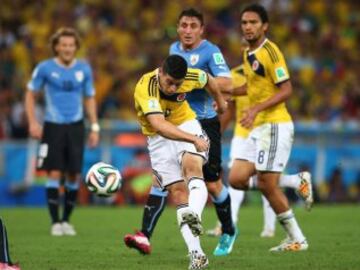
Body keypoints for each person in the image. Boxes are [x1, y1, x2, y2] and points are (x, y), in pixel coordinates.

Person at [124, 8, 236, 257]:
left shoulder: (194, 68)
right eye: (170, 83)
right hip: (159, 135)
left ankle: (208, 222)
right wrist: (193, 139)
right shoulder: (146, 86)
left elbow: (209, 79)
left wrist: (220, 101)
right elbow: (159, 126)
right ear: (161, 72)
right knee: (176, 192)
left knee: (197, 171)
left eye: (178, 84)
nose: (174, 88)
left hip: (190, 122)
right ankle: (197, 254)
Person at [229, 4, 311, 252]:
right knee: (236, 178)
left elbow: (286, 89)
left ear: (264, 26)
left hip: (274, 124)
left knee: (266, 184)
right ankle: (296, 181)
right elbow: (252, 87)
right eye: (244, 23)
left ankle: (297, 238)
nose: (248, 27)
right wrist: (228, 94)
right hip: (258, 128)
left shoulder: (270, 52)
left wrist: (254, 109)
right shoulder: (249, 52)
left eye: (253, 22)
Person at [207, 65, 313, 238]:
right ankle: (228, 223)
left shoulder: (265, 67)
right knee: (238, 178)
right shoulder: (235, 75)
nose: (245, 48)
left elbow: (283, 92)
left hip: (268, 129)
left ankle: (269, 228)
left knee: (266, 180)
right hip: (243, 134)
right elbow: (231, 108)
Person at [25, 27, 100, 236]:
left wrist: (94, 126)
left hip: (76, 125)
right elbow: (30, 94)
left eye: (71, 45)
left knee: (74, 174)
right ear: (57, 47)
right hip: (53, 125)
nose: (67, 48)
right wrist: (32, 122)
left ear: (76, 47)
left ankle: (66, 220)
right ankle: (55, 222)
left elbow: (89, 98)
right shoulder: (45, 68)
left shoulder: (84, 69)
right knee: (54, 172)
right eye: (64, 45)